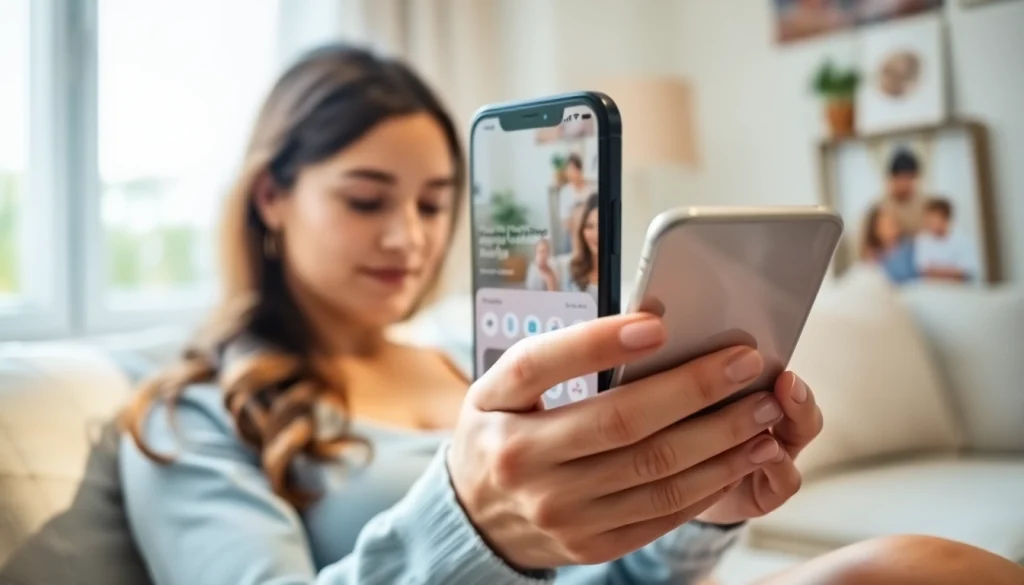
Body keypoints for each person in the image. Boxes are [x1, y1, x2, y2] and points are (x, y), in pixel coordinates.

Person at [117, 43, 1019, 585]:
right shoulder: (189, 413)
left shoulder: (465, 365)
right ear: (271, 195)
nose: (409, 236)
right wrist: (469, 523)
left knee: (924, 567)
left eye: (435, 203)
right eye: (365, 199)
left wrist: (695, 511)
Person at [525, 194, 598, 301]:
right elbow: (557, 313)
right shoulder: (570, 268)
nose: (596, 234)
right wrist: (550, 278)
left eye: (601, 226)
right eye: (589, 226)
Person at [914, 197, 976, 283]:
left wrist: (936, 270)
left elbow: (967, 271)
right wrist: (951, 270)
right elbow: (923, 269)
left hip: (959, 288)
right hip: (932, 287)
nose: (929, 223)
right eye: (928, 219)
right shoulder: (923, 239)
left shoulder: (963, 239)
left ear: (945, 219)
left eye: (933, 219)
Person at [860, 202, 918, 284]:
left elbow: (909, 273)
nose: (892, 227)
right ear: (875, 231)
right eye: (886, 224)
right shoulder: (875, 254)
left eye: (894, 222)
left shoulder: (908, 247)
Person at [882, 148, 927, 236]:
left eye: (910, 178)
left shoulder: (926, 205)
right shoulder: (882, 208)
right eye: (902, 178)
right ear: (892, 178)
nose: (906, 184)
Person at [556, 154, 591, 254]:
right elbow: (564, 220)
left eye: (573, 169)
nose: (571, 173)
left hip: (588, 233)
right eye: (568, 170)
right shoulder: (565, 192)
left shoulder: (589, 190)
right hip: (571, 235)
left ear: (580, 170)